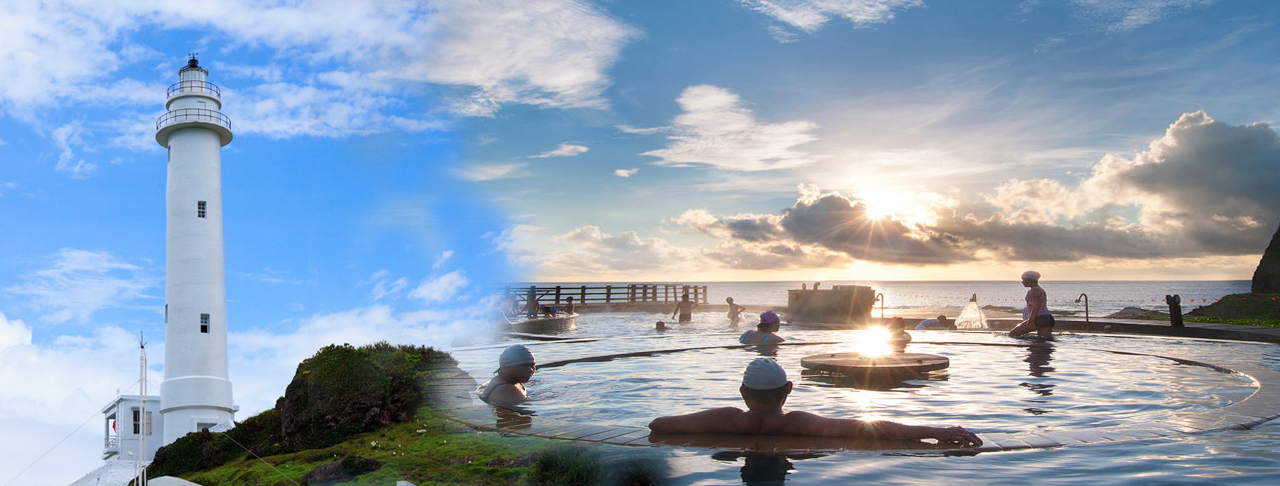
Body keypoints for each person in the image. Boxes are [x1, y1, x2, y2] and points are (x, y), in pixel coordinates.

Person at [648, 358, 982, 446]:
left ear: (742, 392)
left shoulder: (725, 419)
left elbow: (659, 425)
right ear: (788, 389)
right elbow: (868, 428)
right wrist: (935, 429)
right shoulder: (796, 423)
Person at [1010, 270, 1054, 338]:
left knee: (1012, 334)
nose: (1022, 282)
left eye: (1024, 280)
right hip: (1047, 318)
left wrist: (1031, 320)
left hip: (1039, 318)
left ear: (1030, 281)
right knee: (1043, 341)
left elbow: (1036, 305)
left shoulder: (1034, 290)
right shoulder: (1040, 289)